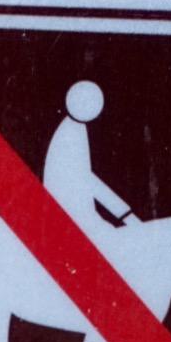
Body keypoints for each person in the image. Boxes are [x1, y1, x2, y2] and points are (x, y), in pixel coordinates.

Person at [43, 81, 134, 233]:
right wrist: (123, 213)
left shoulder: (74, 128)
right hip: (72, 215)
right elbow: (85, 179)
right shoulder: (70, 133)